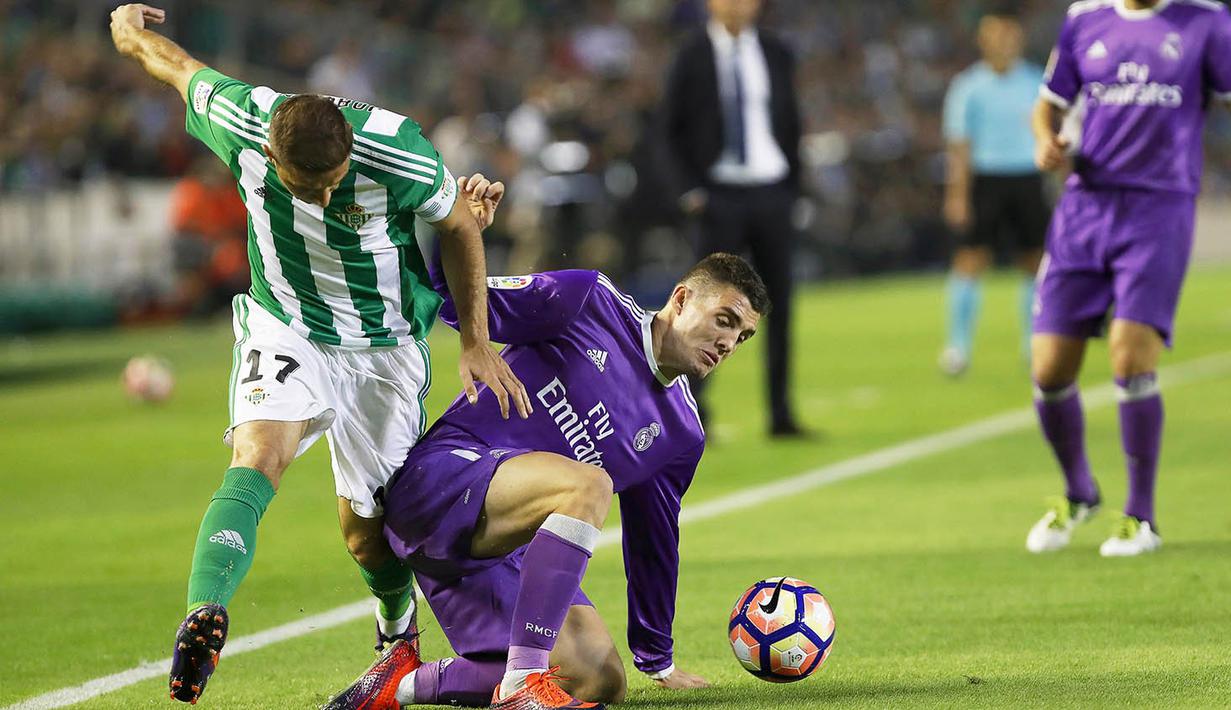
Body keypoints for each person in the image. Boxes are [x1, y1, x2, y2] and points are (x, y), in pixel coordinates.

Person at [108, 4, 532, 704]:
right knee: (257, 454)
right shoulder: (241, 119)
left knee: (368, 531)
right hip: (287, 325)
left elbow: (458, 224)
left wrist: (478, 343)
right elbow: (171, 64)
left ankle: (397, 638)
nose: (329, 193)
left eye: (337, 179)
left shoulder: (399, 149)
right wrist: (126, 26)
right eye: (311, 187)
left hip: (383, 346)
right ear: (271, 156)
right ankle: (203, 610)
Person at [324, 173, 769, 709]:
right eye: (724, 320)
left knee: (598, 680)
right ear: (680, 299)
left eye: (741, 336)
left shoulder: (682, 432)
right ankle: (521, 683)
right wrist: (461, 232)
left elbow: (654, 541)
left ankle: (399, 688)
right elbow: (461, 302)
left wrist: (658, 658)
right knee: (589, 483)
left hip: (501, 551)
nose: (728, 342)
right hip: (438, 489)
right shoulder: (589, 301)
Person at [1025, 0, 1231, 557]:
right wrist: (1046, 140)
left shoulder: (1206, 20)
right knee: (1047, 369)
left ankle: (1141, 517)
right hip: (1084, 209)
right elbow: (1048, 106)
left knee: (1130, 356)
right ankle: (1080, 493)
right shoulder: (1084, 19)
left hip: (1160, 209)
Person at [659, 0, 805, 437]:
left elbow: (792, 121)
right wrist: (688, 191)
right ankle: (691, 410)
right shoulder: (691, 53)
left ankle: (780, 413)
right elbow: (667, 129)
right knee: (707, 307)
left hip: (771, 190)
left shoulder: (776, 51)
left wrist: (794, 187)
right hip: (719, 195)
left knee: (778, 305)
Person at [939, 8, 1048, 376]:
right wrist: (957, 196)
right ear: (982, 40)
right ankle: (958, 346)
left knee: (1034, 263)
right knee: (970, 261)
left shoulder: (1036, 82)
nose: (1003, 42)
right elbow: (959, 147)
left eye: (1008, 34)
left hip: (1027, 179)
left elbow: (1050, 134)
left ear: (1018, 38)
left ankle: (1034, 343)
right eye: (995, 35)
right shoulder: (968, 86)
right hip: (986, 180)